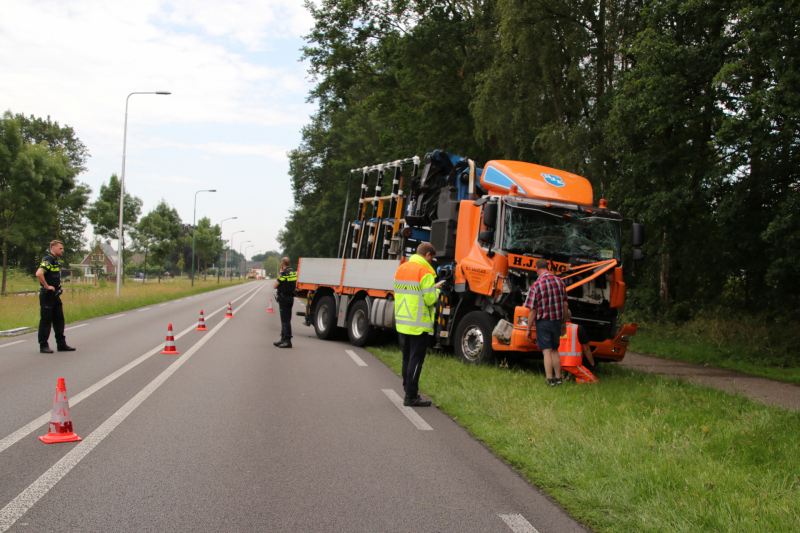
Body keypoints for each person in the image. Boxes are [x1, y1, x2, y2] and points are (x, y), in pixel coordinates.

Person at [394, 242, 444, 407]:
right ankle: (411, 396)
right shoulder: (425, 272)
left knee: (407, 357)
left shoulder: (402, 268)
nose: (431, 262)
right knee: (416, 359)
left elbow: (409, 291)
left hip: (404, 321)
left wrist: (430, 288)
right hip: (418, 324)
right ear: (428, 255)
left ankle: (407, 388)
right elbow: (429, 299)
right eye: (431, 258)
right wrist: (437, 290)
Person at [524, 258, 568, 386]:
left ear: (537, 268)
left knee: (546, 351)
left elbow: (532, 310)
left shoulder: (536, 285)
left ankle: (549, 380)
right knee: (555, 350)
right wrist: (564, 323)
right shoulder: (560, 282)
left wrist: (528, 328)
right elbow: (565, 304)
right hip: (557, 321)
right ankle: (558, 378)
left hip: (543, 323)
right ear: (547, 268)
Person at [35, 240, 75, 354]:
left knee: (59, 320)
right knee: (46, 321)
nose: (62, 250)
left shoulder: (56, 261)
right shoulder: (48, 260)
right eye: (60, 248)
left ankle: (61, 344)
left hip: (55, 295)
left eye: (62, 248)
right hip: (47, 296)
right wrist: (47, 286)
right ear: (53, 248)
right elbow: (39, 274)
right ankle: (43, 345)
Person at [558, 308, 598, 384]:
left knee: (559, 379)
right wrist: (593, 364)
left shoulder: (555, 328)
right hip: (573, 365)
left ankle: (563, 376)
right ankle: (574, 380)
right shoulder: (578, 328)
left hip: (557, 364)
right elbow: (586, 349)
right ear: (570, 316)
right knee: (594, 381)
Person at [273, 257, 297, 348]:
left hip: (284, 298)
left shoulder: (284, 274)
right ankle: (283, 338)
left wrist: (280, 274)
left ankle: (287, 340)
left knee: (285, 320)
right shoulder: (293, 272)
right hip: (290, 298)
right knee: (287, 319)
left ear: (282, 264)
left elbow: (275, 286)